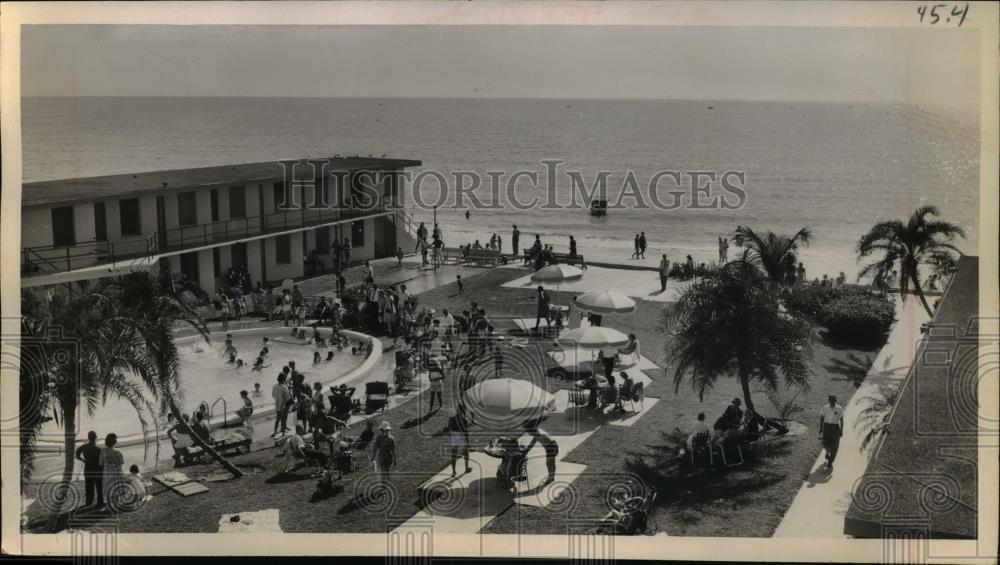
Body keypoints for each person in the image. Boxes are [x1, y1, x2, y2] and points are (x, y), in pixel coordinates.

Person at [75, 431, 104, 508]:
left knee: (88, 486)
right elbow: (101, 461)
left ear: (88, 438)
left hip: (88, 468)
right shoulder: (98, 449)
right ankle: (100, 502)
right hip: (97, 469)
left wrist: (83, 460)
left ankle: (89, 502)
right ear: (95, 438)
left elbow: (77, 454)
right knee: (99, 486)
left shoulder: (84, 447)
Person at [99, 433, 125, 512]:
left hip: (108, 474)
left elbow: (100, 463)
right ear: (115, 442)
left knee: (108, 489)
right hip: (117, 473)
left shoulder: (103, 451)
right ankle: (116, 505)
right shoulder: (118, 452)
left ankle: (109, 506)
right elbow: (122, 463)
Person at [819, 395, 844, 470]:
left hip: (835, 428)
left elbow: (842, 420)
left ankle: (830, 461)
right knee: (825, 443)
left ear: (835, 401)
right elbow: (822, 418)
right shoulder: (825, 407)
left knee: (834, 445)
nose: (831, 402)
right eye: (830, 401)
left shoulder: (839, 408)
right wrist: (820, 428)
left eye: (833, 401)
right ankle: (827, 452)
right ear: (828, 400)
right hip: (826, 427)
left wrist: (841, 430)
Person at [371, 421, 396, 486]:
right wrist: (395, 459)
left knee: (382, 472)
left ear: (381, 430)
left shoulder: (379, 438)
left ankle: (383, 485)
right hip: (389, 457)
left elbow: (375, 448)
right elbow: (393, 450)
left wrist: (373, 457)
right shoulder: (392, 438)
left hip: (381, 457)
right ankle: (386, 483)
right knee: (387, 471)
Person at [448, 412, 472, 476]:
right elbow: (465, 433)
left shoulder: (451, 419)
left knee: (454, 454)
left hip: (454, 436)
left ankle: (453, 472)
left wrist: (452, 436)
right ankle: (466, 468)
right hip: (461, 436)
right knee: (466, 452)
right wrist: (468, 443)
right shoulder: (464, 420)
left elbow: (449, 430)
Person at [271, 373, 291, 437]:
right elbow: (288, 398)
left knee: (277, 418)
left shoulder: (275, 386)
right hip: (283, 405)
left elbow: (273, 395)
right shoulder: (284, 387)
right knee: (283, 419)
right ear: (284, 380)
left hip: (277, 404)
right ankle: (283, 433)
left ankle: (275, 432)